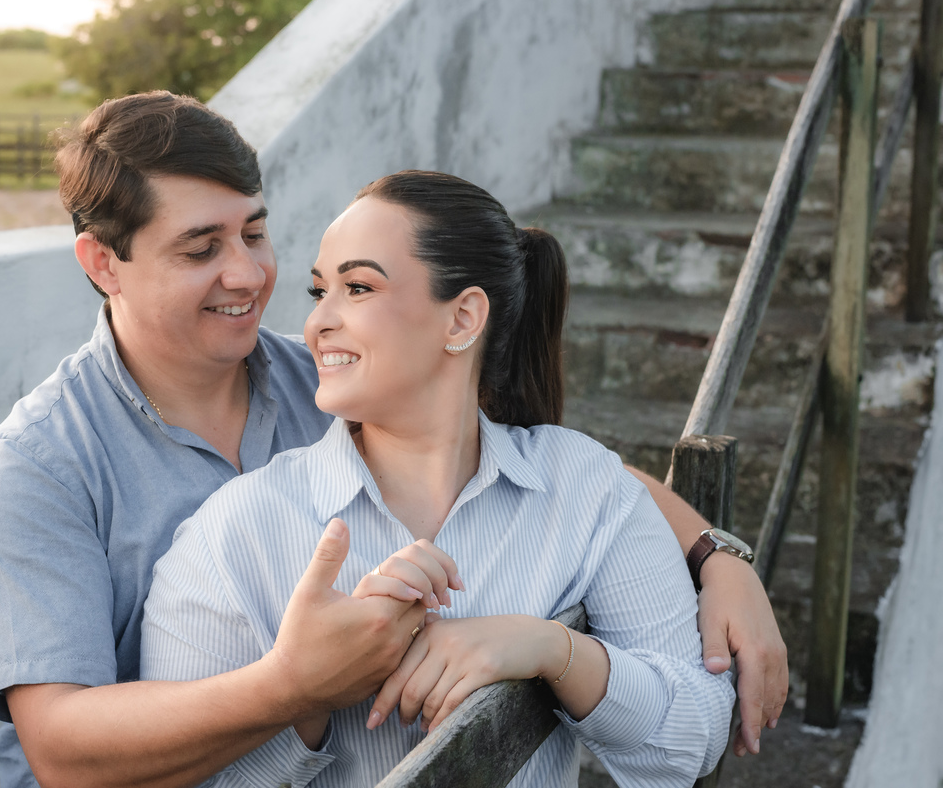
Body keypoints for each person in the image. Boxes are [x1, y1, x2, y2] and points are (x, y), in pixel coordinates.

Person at [0, 92, 785, 788]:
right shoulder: (38, 467)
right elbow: (59, 749)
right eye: (201, 248)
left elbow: (554, 468)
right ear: (103, 263)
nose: (248, 274)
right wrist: (295, 684)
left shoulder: (336, 379)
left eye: (254, 233)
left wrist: (717, 557)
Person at [140, 170, 733, 787]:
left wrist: (552, 650)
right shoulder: (235, 531)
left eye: (358, 287)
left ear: (463, 319)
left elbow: (694, 739)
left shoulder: (586, 487)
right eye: (319, 292)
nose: (316, 324)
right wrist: (307, 690)